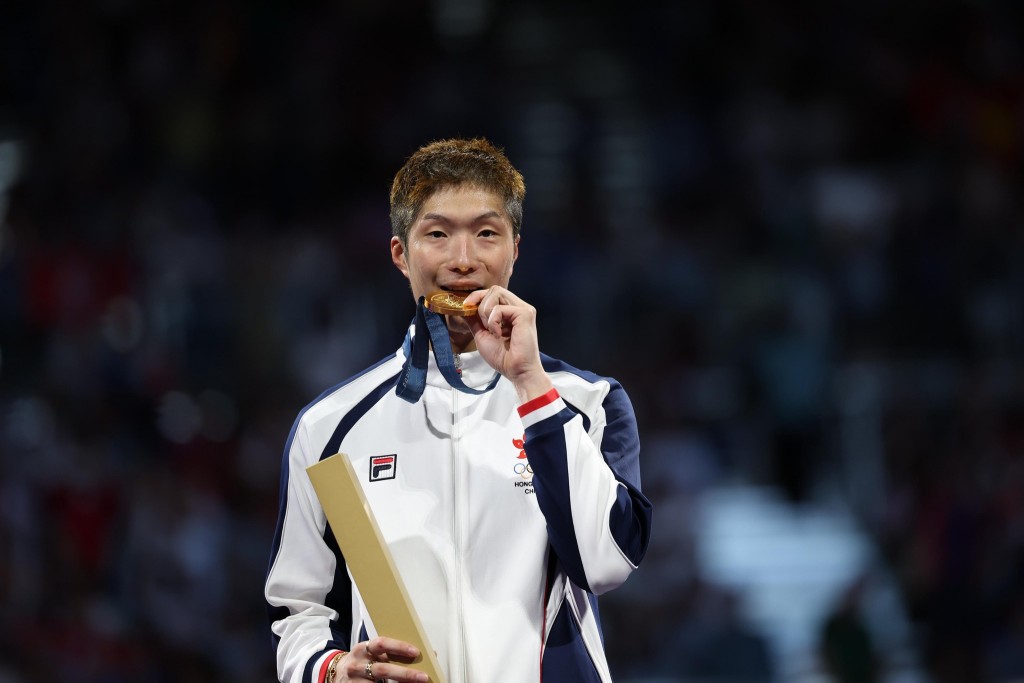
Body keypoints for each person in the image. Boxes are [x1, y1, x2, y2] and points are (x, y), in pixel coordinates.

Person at [265, 137, 653, 683]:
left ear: (515, 249)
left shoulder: (587, 404)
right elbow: (297, 609)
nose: (464, 261)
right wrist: (332, 670)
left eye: (487, 233)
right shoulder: (331, 427)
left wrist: (529, 383)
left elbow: (605, 563)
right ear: (401, 254)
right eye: (438, 234)